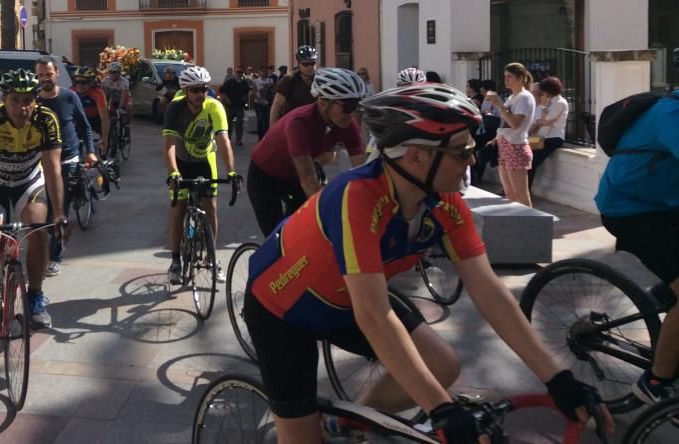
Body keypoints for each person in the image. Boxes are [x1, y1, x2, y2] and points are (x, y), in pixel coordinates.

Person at [244, 83, 611, 443]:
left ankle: (349, 425)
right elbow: (373, 315)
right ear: (415, 156)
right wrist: (441, 409)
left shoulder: (445, 203)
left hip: (345, 300)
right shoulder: (356, 198)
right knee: (300, 437)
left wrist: (557, 378)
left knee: (443, 364)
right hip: (283, 308)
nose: (471, 160)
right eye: (459, 151)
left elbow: (491, 293)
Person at [595, 61, 679, 405]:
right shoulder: (669, 115)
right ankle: (655, 383)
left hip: (666, 204)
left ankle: (664, 292)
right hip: (631, 211)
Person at [0, 68, 65, 331]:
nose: (22, 107)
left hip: (29, 182)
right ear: (4, 99)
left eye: (28, 100)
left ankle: (35, 297)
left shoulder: (46, 120)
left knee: (39, 232)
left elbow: (53, 169)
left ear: (36, 99)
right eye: (15, 100)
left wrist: (59, 214)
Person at [248, 68, 368, 236]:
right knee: (276, 240)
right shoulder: (300, 123)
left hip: (293, 175)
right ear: (324, 103)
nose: (352, 113)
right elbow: (308, 181)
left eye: (356, 106)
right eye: (348, 107)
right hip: (265, 177)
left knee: (310, 233)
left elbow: (362, 173)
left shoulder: (347, 123)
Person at [163, 66, 239, 284]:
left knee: (211, 207)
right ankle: (175, 262)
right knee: (178, 208)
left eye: (204, 89)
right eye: (195, 90)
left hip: (205, 161)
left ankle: (213, 259)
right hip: (181, 162)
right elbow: (168, 145)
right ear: (186, 91)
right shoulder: (175, 109)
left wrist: (232, 171)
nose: (200, 94)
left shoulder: (214, 107)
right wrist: (174, 173)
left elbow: (223, 141)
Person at [35, 56, 96, 277]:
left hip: (67, 161)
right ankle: (47, 246)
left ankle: (55, 255)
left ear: (57, 74)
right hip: (40, 163)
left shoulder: (69, 97)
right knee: (42, 210)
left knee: (59, 209)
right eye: (40, 75)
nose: (44, 79)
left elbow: (85, 126)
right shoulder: (33, 100)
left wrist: (90, 151)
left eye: (48, 74)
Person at [484, 62, 537, 207]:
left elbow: (515, 124)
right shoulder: (512, 97)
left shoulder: (524, 98)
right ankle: (517, 223)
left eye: (510, 76)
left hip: (516, 146)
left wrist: (500, 105)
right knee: (510, 193)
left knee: (521, 193)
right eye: (505, 77)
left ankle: (529, 225)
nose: (506, 80)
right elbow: (505, 124)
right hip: (505, 144)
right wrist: (496, 138)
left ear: (521, 78)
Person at [527, 76, 569, 189]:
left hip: (553, 137)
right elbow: (543, 121)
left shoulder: (560, 102)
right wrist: (542, 120)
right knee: (526, 159)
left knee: (533, 162)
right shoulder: (550, 101)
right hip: (541, 136)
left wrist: (544, 108)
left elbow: (546, 121)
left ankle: (527, 191)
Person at [270, 45, 319, 127]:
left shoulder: (320, 80)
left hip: (313, 124)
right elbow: (277, 105)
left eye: (312, 63)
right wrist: (272, 129)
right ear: (299, 64)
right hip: (292, 124)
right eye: (306, 64)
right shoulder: (289, 79)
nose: (310, 67)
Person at [71, 66, 110, 158]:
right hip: (80, 119)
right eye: (77, 82)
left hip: (96, 118)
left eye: (84, 82)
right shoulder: (71, 91)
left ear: (91, 82)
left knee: (107, 137)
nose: (80, 85)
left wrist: (104, 140)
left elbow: (104, 118)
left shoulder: (97, 92)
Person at [219, 66, 252, 146]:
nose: (238, 74)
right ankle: (228, 139)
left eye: (240, 72)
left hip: (239, 106)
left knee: (239, 123)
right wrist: (226, 99)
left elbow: (248, 91)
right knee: (229, 123)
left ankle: (238, 139)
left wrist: (246, 97)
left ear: (242, 73)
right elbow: (222, 91)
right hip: (230, 106)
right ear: (235, 73)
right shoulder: (229, 82)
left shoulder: (244, 82)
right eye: (237, 72)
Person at [253, 65, 276, 139]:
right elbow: (254, 92)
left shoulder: (270, 80)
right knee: (260, 119)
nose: (264, 72)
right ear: (259, 72)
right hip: (258, 103)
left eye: (265, 71)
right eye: (262, 71)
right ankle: (260, 136)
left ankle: (266, 135)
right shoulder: (256, 81)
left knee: (267, 119)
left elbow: (274, 90)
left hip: (268, 103)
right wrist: (260, 100)